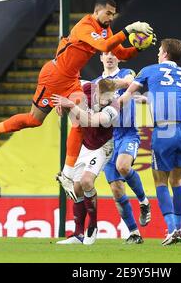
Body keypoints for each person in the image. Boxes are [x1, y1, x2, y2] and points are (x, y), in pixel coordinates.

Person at [0, 0, 154, 183]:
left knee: (80, 120)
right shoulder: (85, 26)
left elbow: (122, 54)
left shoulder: (105, 29)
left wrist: (139, 48)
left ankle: (67, 174)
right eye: (108, 13)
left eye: (113, 14)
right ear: (96, 11)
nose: (110, 17)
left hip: (71, 79)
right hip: (54, 77)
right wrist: (128, 30)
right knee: (34, 120)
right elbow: (103, 46)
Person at [119, 38, 181, 246]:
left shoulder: (149, 70)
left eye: (160, 51)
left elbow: (125, 96)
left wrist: (112, 106)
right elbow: (171, 94)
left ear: (166, 54)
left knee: (160, 180)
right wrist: (148, 100)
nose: (157, 54)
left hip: (164, 129)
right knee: (177, 180)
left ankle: (171, 229)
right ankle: (178, 227)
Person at [52, 78, 119, 245]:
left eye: (110, 98)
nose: (107, 101)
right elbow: (67, 82)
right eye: (104, 98)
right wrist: (60, 102)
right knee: (76, 188)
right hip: (85, 144)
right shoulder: (87, 87)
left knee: (86, 181)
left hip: (102, 146)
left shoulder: (114, 107)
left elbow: (92, 121)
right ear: (96, 92)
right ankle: (77, 234)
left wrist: (71, 105)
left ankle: (93, 226)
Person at [93, 51, 151, 245]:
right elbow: (94, 106)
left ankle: (143, 202)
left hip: (127, 133)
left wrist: (107, 86)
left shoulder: (128, 72)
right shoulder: (95, 82)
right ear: (100, 58)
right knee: (117, 191)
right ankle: (134, 232)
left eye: (114, 54)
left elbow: (129, 82)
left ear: (119, 58)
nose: (109, 57)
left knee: (123, 166)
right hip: (107, 141)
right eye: (105, 54)